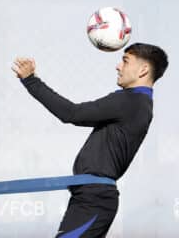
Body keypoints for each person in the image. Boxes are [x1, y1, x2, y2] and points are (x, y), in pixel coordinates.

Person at [12, 43, 168, 237]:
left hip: (94, 199)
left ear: (143, 70)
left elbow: (71, 113)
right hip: (92, 197)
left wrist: (31, 81)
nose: (118, 66)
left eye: (125, 61)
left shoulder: (130, 101)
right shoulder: (140, 103)